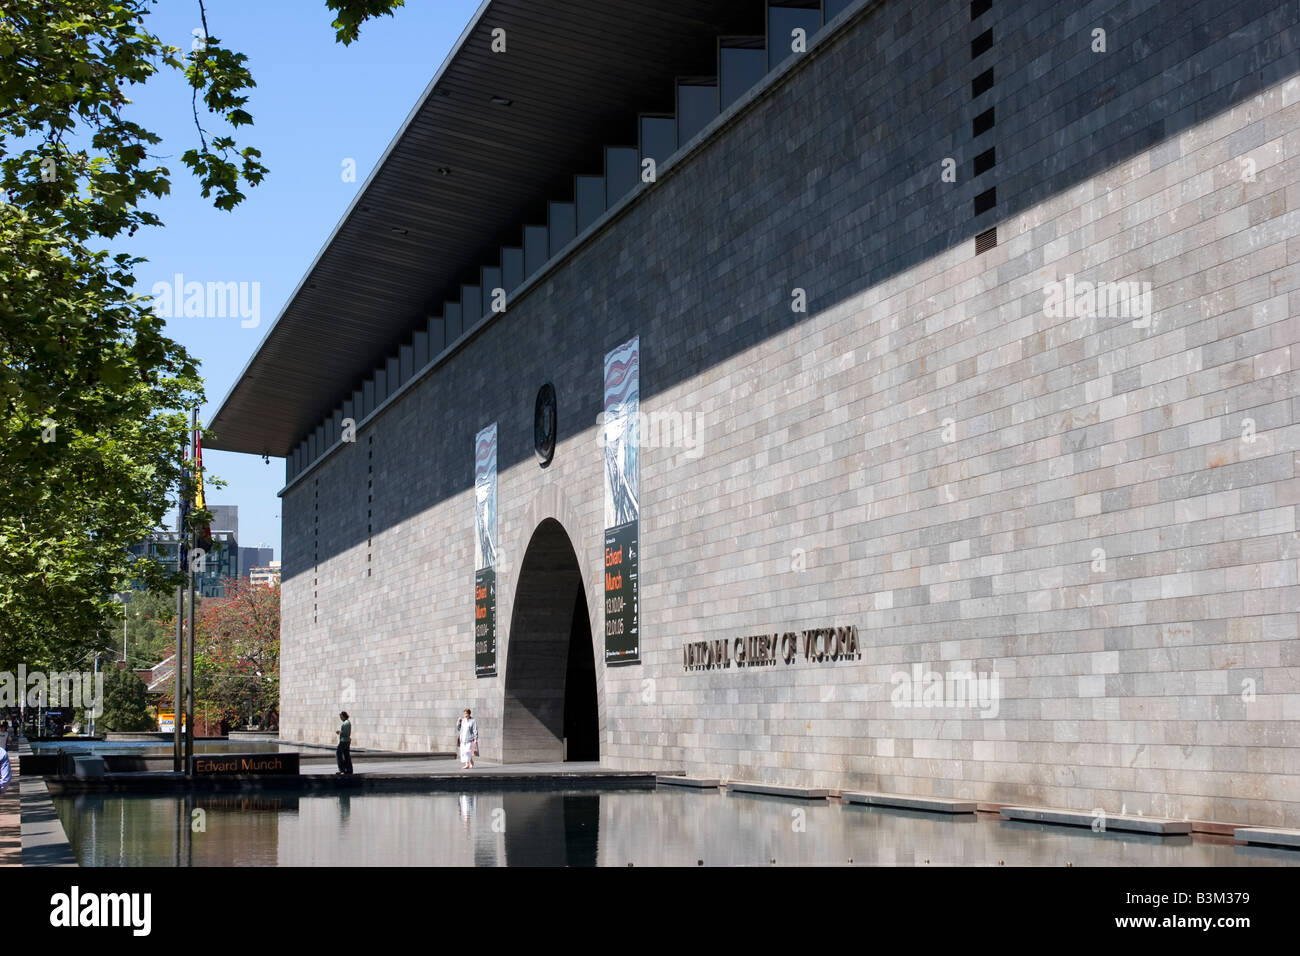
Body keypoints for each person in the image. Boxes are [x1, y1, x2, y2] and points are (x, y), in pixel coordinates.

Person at [334, 711, 353, 776]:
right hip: (347, 741)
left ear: (343, 716)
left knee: (338, 754)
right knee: (346, 755)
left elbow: (346, 733)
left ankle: (342, 769)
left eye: (341, 716)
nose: (340, 718)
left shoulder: (346, 723)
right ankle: (349, 770)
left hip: (344, 741)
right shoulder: (347, 722)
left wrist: (340, 732)